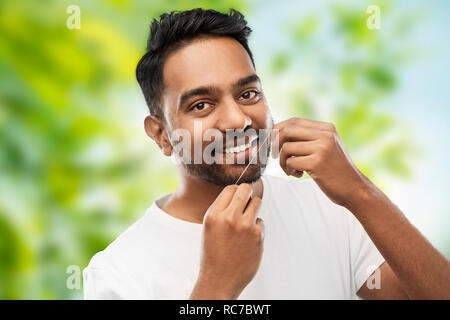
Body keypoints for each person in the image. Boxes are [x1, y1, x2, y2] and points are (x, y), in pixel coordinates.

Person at [83, 8, 450, 299]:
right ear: (161, 135)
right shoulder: (117, 273)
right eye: (201, 105)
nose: (238, 120)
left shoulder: (332, 209)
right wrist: (217, 286)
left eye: (247, 94)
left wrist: (361, 193)